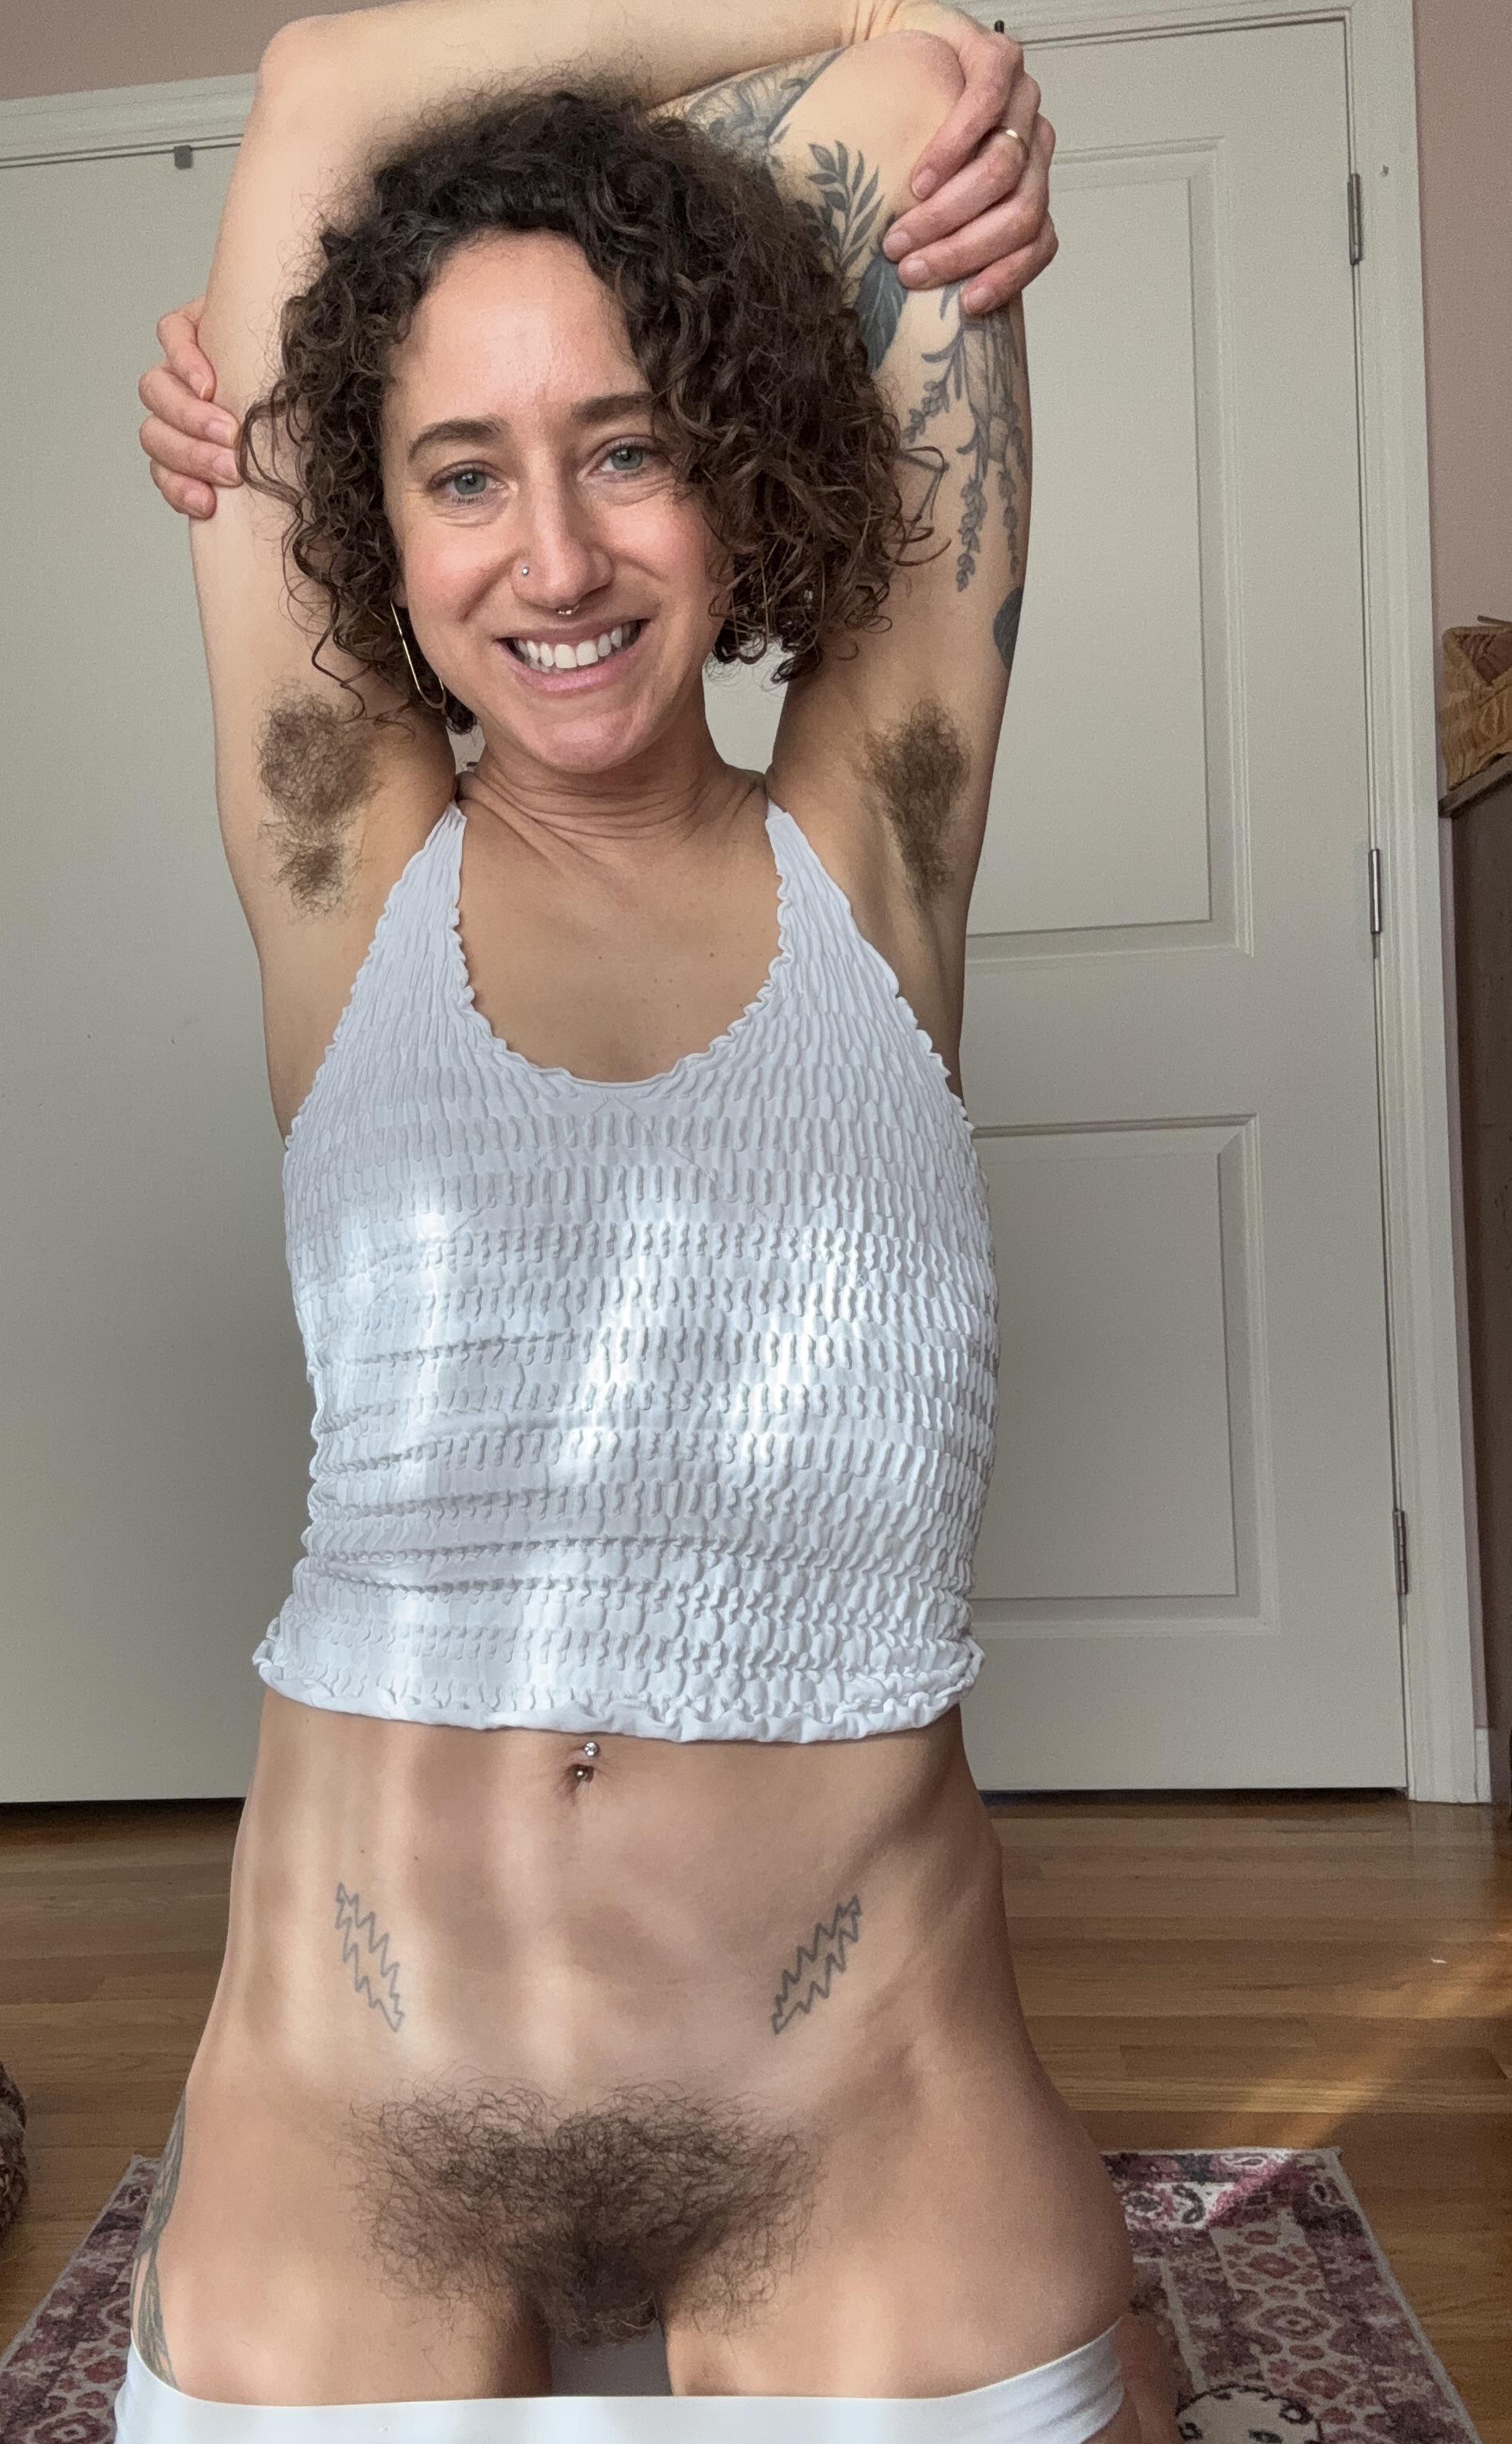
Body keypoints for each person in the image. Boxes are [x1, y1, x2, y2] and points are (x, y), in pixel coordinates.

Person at [127, 1, 1180, 2437]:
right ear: (366, 521)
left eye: (628, 446)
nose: (559, 557)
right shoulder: (341, 853)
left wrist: (897, 29)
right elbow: (318, 98)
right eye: (460, 473)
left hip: (862, 2123)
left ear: (735, 445)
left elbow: (907, 102)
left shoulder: (877, 840)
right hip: (353, 2136)